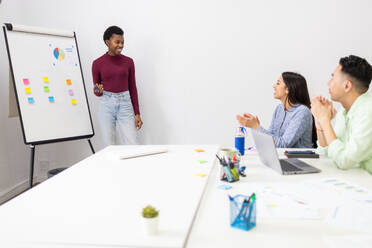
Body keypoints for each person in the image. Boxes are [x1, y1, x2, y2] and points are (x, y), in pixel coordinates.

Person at [311, 55, 372, 174]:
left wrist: (325, 120)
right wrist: (319, 121)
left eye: (333, 78)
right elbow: (327, 152)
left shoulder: (368, 111)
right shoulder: (344, 111)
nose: (328, 83)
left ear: (347, 85)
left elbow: (344, 160)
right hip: (355, 178)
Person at [92, 26, 143, 147]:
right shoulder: (97, 63)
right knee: (109, 146)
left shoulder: (129, 62)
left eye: (122, 42)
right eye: (117, 42)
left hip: (125, 104)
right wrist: (97, 91)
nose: (121, 45)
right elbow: (97, 89)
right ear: (107, 42)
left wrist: (137, 113)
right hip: (106, 105)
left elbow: (132, 88)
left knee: (133, 144)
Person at [237, 72, 316, 148]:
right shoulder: (279, 109)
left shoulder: (302, 112)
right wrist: (257, 128)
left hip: (299, 160)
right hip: (282, 158)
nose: (274, 86)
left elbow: (283, 144)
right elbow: (272, 138)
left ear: (287, 89)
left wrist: (256, 126)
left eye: (278, 83)